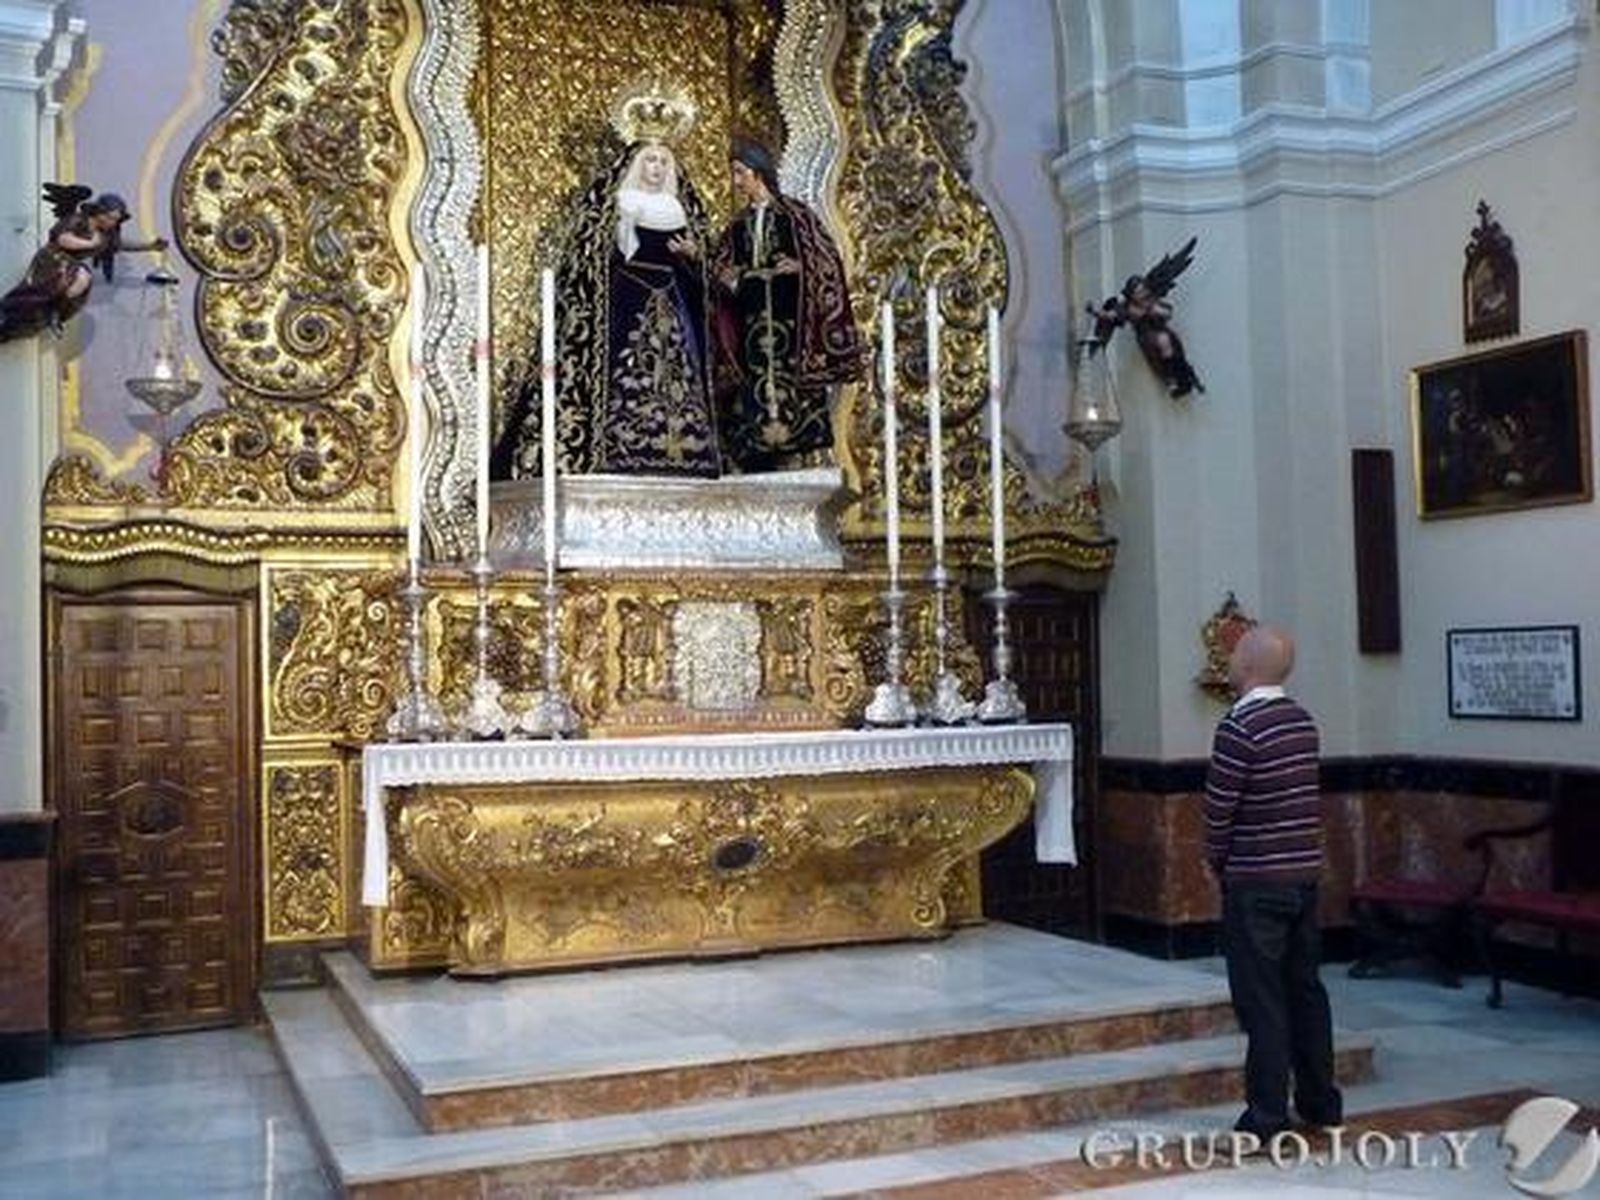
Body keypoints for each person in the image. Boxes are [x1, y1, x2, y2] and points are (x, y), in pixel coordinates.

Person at [496, 139, 722, 479]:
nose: (657, 168)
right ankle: (619, 448)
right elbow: (589, 254)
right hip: (627, 294)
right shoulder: (617, 203)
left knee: (680, 369)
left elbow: (707, 267)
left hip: (673, 297)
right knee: (622, 364)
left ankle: (686, 455)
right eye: (650, 161)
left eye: (663, 161)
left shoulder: (680, 209)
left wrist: (695, 254)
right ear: (637, 166)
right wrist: (619, 235)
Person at [1203, 625, 1343, 1142]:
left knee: (1261, 1000)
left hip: (1257, 879)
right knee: (1305, 990)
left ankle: (1265, 1116)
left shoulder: (1240, 728)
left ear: (1249, 665)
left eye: (1237, 652)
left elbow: (1221, 807)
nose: (1231, 658)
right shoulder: (1300, 720)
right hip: (1303, 875)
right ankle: (1321, 1101)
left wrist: (1215, 860)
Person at [710, 137, 863, 472]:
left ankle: (799, 448)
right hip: (751, 320)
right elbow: (720, 266)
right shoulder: (738, 225)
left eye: (740, 173)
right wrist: (727, 275)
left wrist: (801, 268)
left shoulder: (796, 216)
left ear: (758, 173)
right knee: (752, 382)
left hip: (790, 319)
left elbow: (824, 262)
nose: (736, 182)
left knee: (790, 380)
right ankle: (754, 448)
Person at [0, 186, 166, 343]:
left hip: (70, 268)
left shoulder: (105, 236)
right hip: (54, 259)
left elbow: (122, 245)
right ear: (100, 211)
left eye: (116, 220)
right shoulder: (79, 220)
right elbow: (62, 239)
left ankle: (55, 311)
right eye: (110, 217)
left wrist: (149, 246)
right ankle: (11, 309)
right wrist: (90, 244)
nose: (112, 223)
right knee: (40, 290)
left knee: (81, 280)